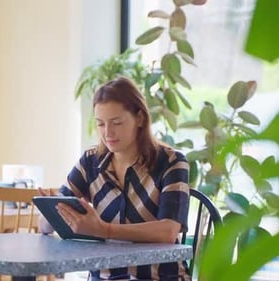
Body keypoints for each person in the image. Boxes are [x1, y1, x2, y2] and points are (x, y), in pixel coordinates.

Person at [39, 77, 190, 280]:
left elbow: (168, 231)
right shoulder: (90, 162)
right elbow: (44, 225)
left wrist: (105, 230)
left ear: (140, 118)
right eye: (100, 124)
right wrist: (51, 213)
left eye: (116, 123)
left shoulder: (171, 161)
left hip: (157, 277)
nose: (107, 133)